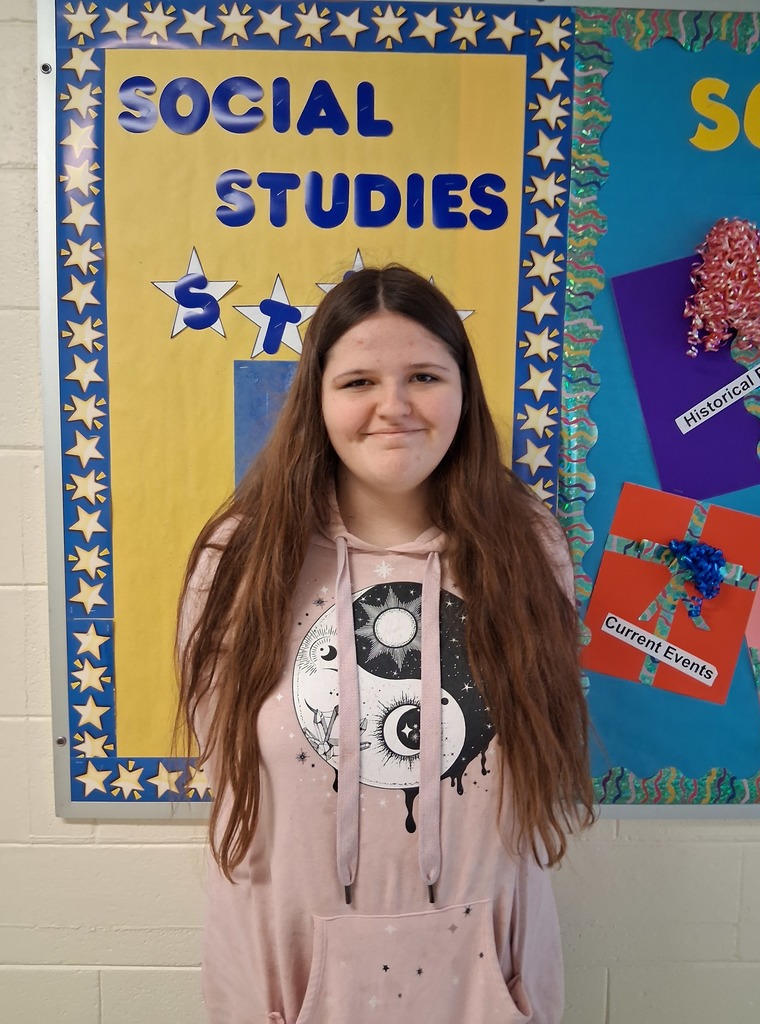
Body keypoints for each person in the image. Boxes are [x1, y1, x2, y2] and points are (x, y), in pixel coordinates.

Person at [177, 265, 594, 1024]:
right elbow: (225, 763)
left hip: (488, 990)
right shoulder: (239, 559)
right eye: (359, 380)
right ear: (318, 401)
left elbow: (539, 764)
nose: (393, 407)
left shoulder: (529, 547)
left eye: (425, 375)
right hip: (289, 987)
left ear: (463, 392)